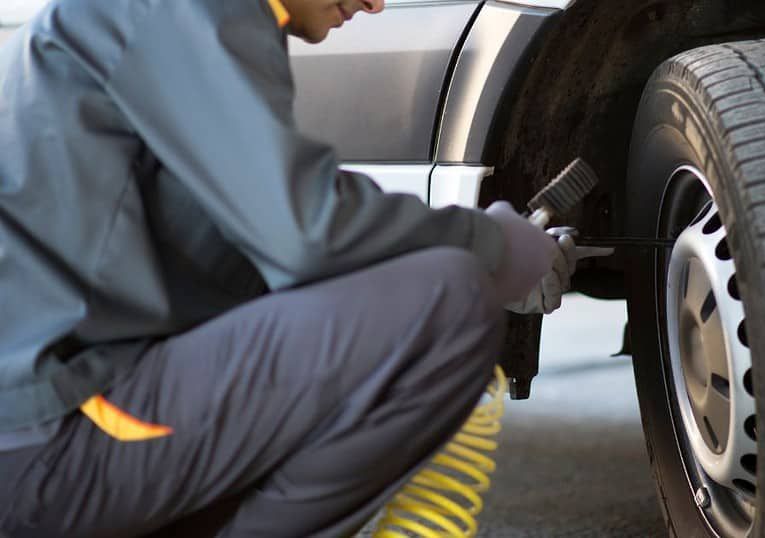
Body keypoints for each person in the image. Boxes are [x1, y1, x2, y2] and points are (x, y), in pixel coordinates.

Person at [0, 0, 610, 535]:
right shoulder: (186, 8)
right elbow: (305, 233)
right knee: (445, 304)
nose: (374, 5)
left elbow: (262, 253)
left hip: (49, 427)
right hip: (53, 437)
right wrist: (490, 245)